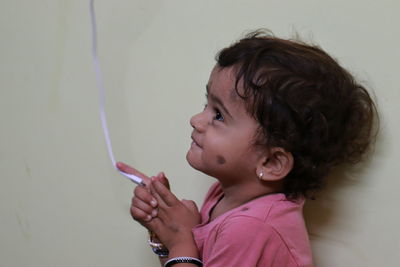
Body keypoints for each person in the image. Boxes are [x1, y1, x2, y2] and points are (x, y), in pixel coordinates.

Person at [117, 30, 378, 267]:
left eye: (219, 115)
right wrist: (165, 234)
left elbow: (187, 254)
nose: (196, 120)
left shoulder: (251, 228)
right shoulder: (226, 194)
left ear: (271, 163)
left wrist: (180, 241)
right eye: (206, 104)